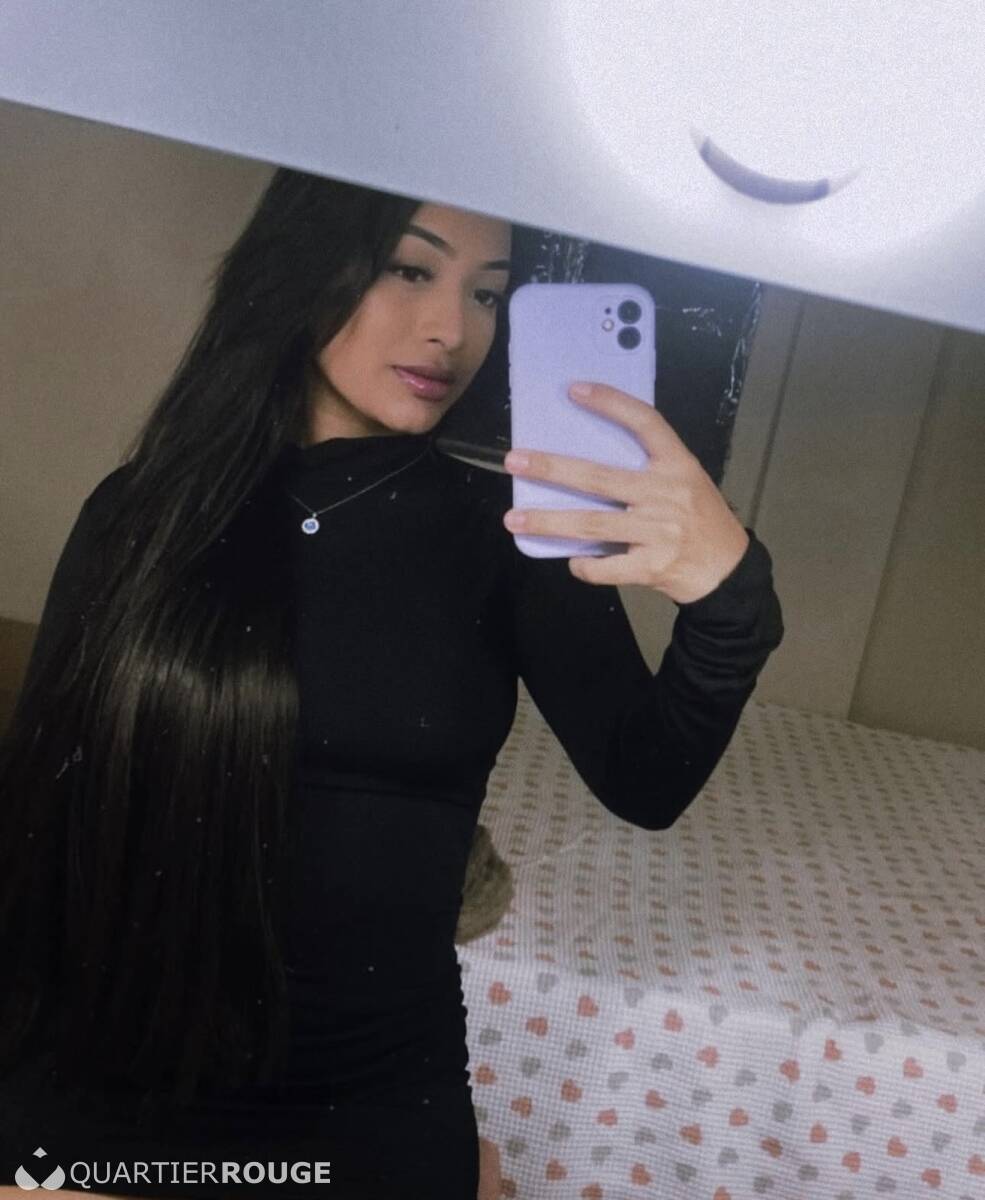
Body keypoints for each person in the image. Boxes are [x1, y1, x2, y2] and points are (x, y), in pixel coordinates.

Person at [0, 168, 784, 1198]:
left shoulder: (508, 533)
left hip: (366, 1098)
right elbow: (40, 814)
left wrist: (731, 598)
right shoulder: (141, 512)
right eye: (411, 269)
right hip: (109, 1073)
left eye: (488, 292)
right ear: (307, 265)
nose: (452, 329)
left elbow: (648, 779)